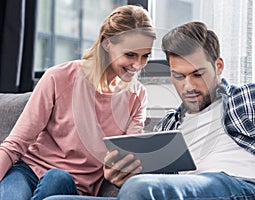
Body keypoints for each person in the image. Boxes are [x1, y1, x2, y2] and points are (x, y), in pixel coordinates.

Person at [43, 21, 255, 200]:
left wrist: (138, 185)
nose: (188, 86)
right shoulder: (168, 125)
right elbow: (155, 183)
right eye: (178, 76)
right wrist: (120, 176)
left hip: (244, 184)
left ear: (218, 66)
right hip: (172, 191)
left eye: (197, 74)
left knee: (139, 189)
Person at [0, 5, 156, 199]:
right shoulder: (59, 77)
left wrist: (118, 172)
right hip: (27, 171)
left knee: (57, 178)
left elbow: (128, 156)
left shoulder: (137, 97)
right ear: (107, 44)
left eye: (145, 56)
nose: (138, 65)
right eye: (130, 54)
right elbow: (16, 143)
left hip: (73, 185)